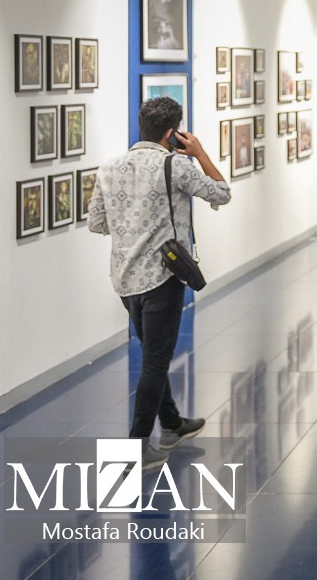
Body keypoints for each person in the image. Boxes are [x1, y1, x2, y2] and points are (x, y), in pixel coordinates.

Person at [89, 97, 230, 469]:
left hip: (124, 278)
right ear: (172, 133)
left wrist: (132, 226)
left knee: (154, 352)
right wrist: (199, 153)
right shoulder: (177, 165)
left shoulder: (109, 168)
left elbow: (97, 223)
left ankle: (172, 423)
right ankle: (137, 448)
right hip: (163, 277)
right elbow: (222, 192)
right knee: (155, 361)